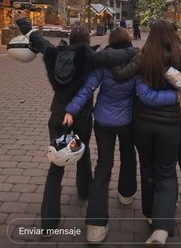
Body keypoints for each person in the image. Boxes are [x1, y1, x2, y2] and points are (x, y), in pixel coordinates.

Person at [13, 12, 137, 237]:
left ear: (69, 40)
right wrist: (135, 50)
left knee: (56, 164)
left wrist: (23, 22)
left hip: (58, 114)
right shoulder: (88, 56)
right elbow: (111, 59)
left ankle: (49, 223)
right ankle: (85, 191)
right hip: (81, 115)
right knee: (84, 151)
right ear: (88, 42)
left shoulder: (53, 53)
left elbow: (37, 39)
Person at [63, 27, 178, 244]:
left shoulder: (102, 63)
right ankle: (126, 193)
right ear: (127, 42)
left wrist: (71, 109)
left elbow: (87, 89)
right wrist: (175, 96)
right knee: (128, 156)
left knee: (103, 166)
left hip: (103, 121)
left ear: (110, 43)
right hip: (126, 121)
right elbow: (145, 95)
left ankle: (95, 225)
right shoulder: (136, 63)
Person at [112, 20, 181, 246]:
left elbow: (120, 75)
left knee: (148, 168)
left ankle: (151, 215)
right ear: (173, 36)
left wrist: (114, 54)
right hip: (169, 125)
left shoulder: (143, 57)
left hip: (141, 125)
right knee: (166, 173)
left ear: (150, 36)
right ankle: (162, 227)